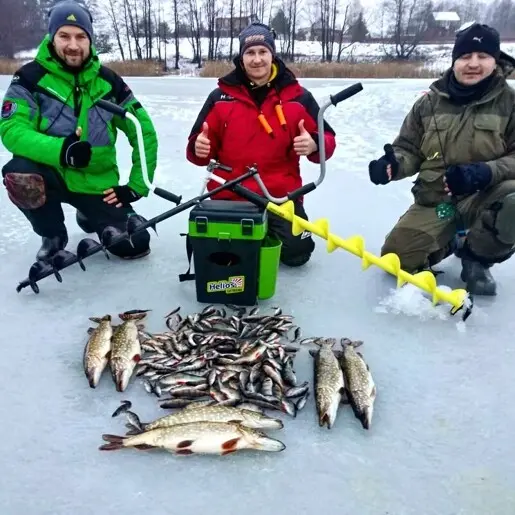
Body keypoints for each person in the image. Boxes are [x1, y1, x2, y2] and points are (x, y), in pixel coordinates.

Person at [0, 0, 158, 262]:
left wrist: (135, 186)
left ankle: (88, 214)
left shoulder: (109, 82)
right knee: (20, 172)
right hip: (51, 175)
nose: (73, 45)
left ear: (90, 39)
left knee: (136, 243)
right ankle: (52, 234)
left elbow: (143, 131)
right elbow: (11, 128)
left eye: (80, 36)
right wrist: (62, 150)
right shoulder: (29, 78)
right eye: (64, 36)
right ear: (52, 37)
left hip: (97, 183)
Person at [368, 23, 515, 296]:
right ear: (454, 60)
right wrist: (393, 165)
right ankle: (454, 240)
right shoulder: (428, 103)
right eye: (465, 57)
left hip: (486, 195)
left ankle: (477, 259)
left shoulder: (510, 103)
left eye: (482, 56)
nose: (473, 64)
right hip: (437, 200)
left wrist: (486, 171)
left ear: (495, 61)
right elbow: (409, 148)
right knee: (396, 261)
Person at [185, 21, 336, 267]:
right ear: (241, 58)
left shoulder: (298, 97)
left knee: (299, 252)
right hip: (230, 194)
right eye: (250, 53)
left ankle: (270, 232)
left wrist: (314, 145)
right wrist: (199, 148)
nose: (257, 60)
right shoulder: (220, 97)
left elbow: (328, 140)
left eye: (262, 52)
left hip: (280, 196)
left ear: (272, 55)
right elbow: (195, 148)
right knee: (223, 258)